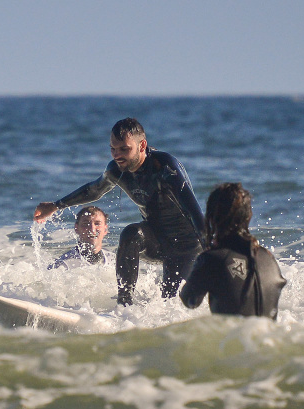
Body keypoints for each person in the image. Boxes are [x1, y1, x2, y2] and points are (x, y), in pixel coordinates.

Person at [34, 118, 205, 305]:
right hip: (156, 240)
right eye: (113, 149)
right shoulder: (116, 170)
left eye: (124, 149)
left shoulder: (164, 167)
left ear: (142, 146)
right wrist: (56, 205)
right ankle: (125, 304)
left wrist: (214, 252)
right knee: (131, 234)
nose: (117, 155)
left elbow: (194, 212)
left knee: (171, 304)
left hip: (186, 246)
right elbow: (94, 190)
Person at [180, 182, 286, 319]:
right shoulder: (268, 257)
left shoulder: (211, 259)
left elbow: (190, 300)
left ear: (212, 217)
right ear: (248, 217)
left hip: (233, 338)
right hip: (271, 338)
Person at [48, 206, 112, 270]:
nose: (92, 229)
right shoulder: (63, 265)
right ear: (76, 228)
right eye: (86, 224)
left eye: (97, 224)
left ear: (105, 229)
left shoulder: (114, 260)